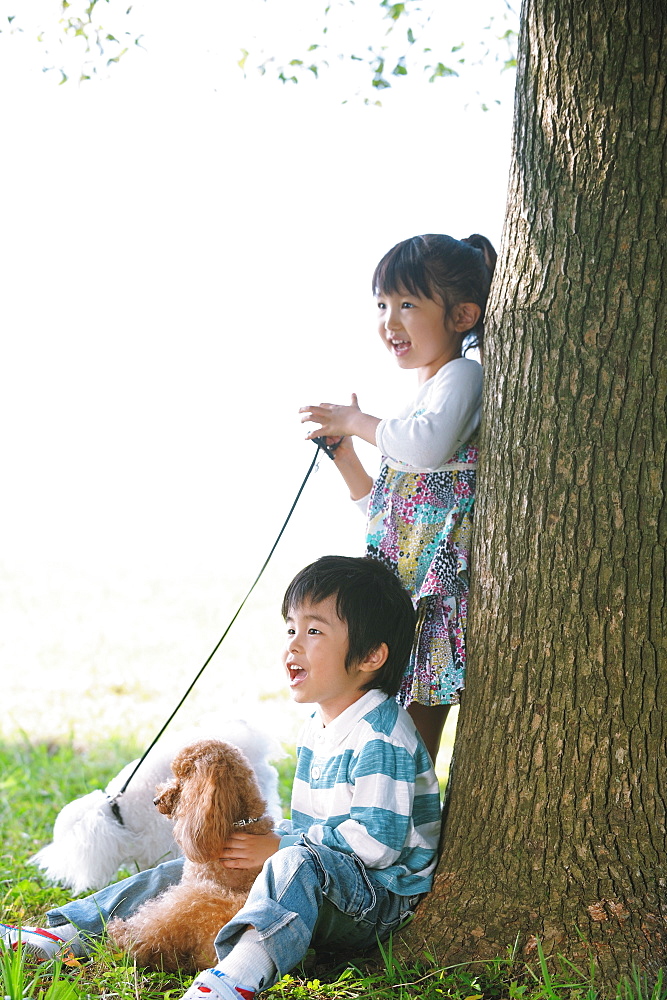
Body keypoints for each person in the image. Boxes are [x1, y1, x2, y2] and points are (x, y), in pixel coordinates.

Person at [1, 556, 441, 1000]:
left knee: (293, 864)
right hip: (321, 875)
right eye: (290, 629)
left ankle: (236, 977)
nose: (293, 646)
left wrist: (280, 848)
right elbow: (309, 829)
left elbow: (377, 845)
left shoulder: (382, 734)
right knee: (205, 864)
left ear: (370, 655)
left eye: (314, 631)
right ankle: (68, 931)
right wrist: (260, 846)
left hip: (378, 898)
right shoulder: (319, 724)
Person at [300, 234, 497, 764]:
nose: (391, 321)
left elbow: (427, 450)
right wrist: (346, 455)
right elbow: (394, 515)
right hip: (401, 590)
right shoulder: (422, 400)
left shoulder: (462, 375)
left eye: (408, 304)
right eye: (383, 305)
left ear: (461, 316)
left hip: (433, 596)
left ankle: (408, 832)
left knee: (412, 738)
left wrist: (356, 421)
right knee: (377, 726)